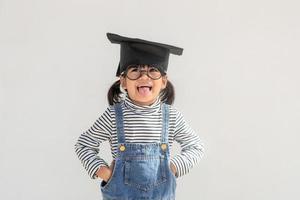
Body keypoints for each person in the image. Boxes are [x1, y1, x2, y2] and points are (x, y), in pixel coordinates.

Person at [75, 33, 204, 200]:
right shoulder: (113, 116)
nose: (144, 76)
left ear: (163, 81)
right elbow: (83, 145)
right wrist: (106, 173)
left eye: (152, 70)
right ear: (123, 81)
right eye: (135, 70)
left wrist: (172, 168)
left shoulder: (171, 116)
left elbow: (196, 147)